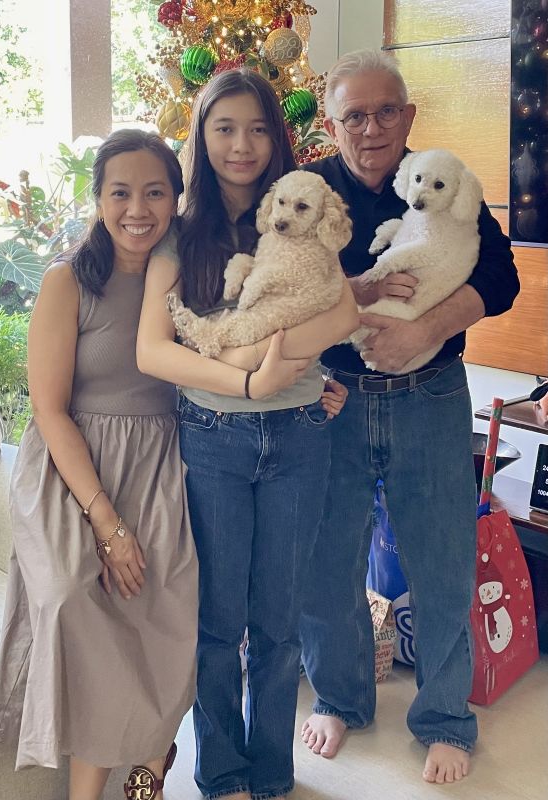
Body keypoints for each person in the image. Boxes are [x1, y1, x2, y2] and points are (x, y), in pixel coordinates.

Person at [298, 49, 520, 784]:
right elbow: (287, 288)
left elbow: (500, 273)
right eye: (353, 114)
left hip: (431, 394)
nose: (371, 127)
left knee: (445, 566)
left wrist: (426, 329)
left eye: (385, 110)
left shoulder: (444, 177)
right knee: (328, 564)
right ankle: (338, 696)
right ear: (332, 124)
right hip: (330, 398)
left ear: (409, 116)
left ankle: (445, 719)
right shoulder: (311, 191)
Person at [136, 68, 359, 800]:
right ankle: (222, 773)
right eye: (224, 127)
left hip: (300, 436)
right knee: (217, 620)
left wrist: (262, 362)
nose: (242, 145)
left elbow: (340, 316)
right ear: (202, 136)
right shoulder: (182, 231)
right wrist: (248, 379)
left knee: (278, 623)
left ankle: (270, 775)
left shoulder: (302, 215)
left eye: (259, 128)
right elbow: (153, 348)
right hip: (214, 441)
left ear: (279, 137)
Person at [0, 129, 199, 800]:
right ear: (98, 199)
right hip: (73, 467)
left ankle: (150, 763)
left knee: (165, 604)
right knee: (74, 594)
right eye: (120, 193)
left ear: (176, 199)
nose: (138, 209)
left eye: (155, 192)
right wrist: (105, 521)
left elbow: (231, 353)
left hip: (162, 458)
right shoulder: (65, 280)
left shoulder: (188, 277)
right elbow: (49, 410)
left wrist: (308, 383)